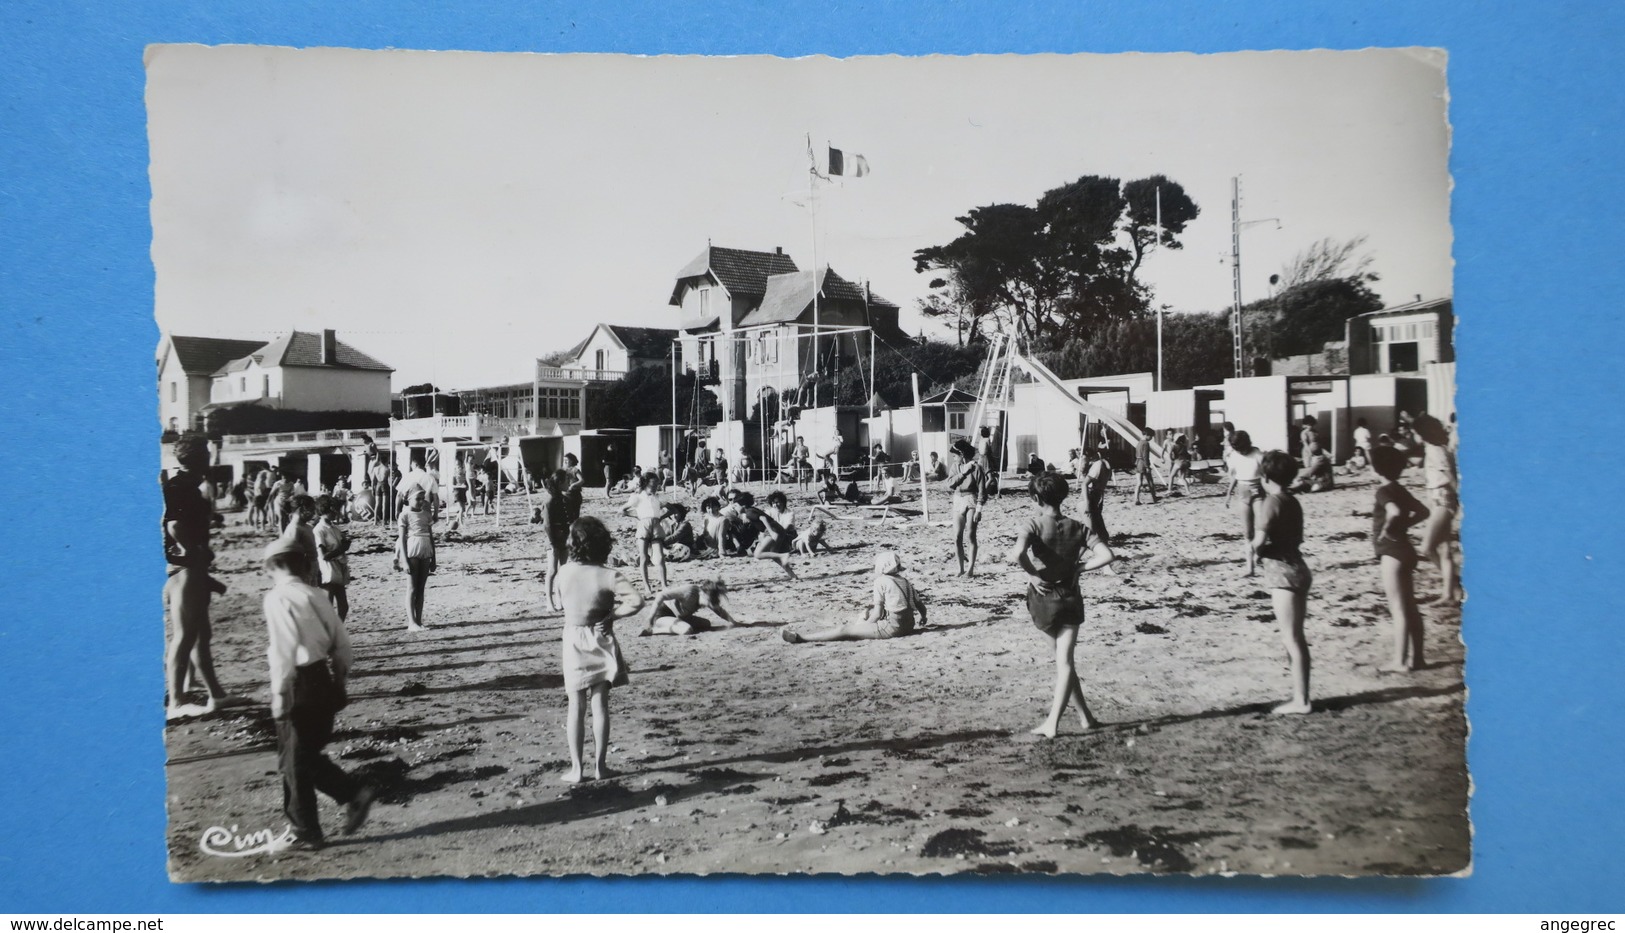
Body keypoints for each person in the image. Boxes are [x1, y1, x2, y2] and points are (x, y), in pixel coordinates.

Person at [260, 536, 375, 850]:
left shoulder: (277, 599)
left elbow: (283, 650)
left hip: (299, 683)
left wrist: (280, 694)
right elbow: (343, 645)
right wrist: (339, 682)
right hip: (323, 679)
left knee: (294, 761)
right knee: (304, 755)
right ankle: (345, 800)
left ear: (271, 568)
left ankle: (310, 827)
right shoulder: (318, 595)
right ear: (304, 565)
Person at [1006, 472, 1116, 738]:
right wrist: (1080, 567)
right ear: (1064, 496)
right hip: (1070, 594)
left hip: (1043, 596)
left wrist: (1031, 573)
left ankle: (1052, 723)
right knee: (1065, 662)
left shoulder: (1031, 525)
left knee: (1062, 662)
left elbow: (1018, 554)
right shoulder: (1078, 527)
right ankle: (1085, 716)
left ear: (1034, 497)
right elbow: (1107, 555)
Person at [555, 516, 646, 783]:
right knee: (600, 705)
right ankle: (600, 766)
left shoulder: (564, 571)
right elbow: (637, 601)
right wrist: (613, 615)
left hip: (573, 638)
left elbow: (561, 600)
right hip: (601, 636)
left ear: (573, 544)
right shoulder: (609, 575)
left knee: (576, 706)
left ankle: (576, 769)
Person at [163, 435, 240, 718]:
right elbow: (175, 526)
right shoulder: (181, 486)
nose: (211, 459)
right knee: (185, 636)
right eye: (207, 455)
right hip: (185, 569)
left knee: (200, 634)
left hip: (189, 569)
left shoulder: (182, 485)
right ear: (200, 459)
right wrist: (193, 551)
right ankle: (177, 702)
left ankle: (216, 695)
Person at [1253, 450, 1315, 715]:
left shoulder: (1271, 502)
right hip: (1299, 567)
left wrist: (1253, 553)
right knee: (1296, 637)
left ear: (1265, 476)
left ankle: (1301, 700)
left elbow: (1258, 541)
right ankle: (1299, 694)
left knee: (1291, 638)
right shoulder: (1292, 500)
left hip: (1282, 573)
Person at [1369, 446, 1431, 672]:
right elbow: (1424, 511)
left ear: (1376, 469)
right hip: (1406, 550)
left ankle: (1400, 661)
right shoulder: (1401, 489)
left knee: (1398, 608)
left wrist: (1388, 528)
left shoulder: (1383, 491)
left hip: (1391, 553)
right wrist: (1405, 525)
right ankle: (1418, 658)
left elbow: (1393, 511)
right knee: (1411, 606)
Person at [782, 550, 926, 644]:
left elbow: (878, 614)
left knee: (844, 630)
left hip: (894, 628)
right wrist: (923, 618)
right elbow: (921, 606)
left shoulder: (880, 581)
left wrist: (861, 627)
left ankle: (801, 638)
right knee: (866, 614)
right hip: (909, 624)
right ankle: (859, 626)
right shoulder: (905, 581)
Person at [1413, 414, 1462, 605]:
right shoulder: (1435, 448)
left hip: (1443, 498)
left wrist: (1460, 494)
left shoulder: (1435, 449)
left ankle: (1458, 581)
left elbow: (1449, 475)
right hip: (1439, 498)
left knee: (1427, 547)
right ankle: (1451, 593)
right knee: (1443, 549)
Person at [393, 487, 437, 630]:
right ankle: (411, 623)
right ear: (408, 499)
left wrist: (434, 558)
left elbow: (431, 537)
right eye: (417, 498)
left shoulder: (426, 515)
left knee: (421, 589)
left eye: (422, 498)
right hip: (412, 550)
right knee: (412, 588)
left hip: (425, 550)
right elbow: (401, 539)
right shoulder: (404, 515)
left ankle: (419, 621)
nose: (420, 501)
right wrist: (403, 560)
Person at [1224, 430, 1266, 576]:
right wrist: (1228, 494)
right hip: (1243, 493)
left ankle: (1259, 555)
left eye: (1241, 448)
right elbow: (1235, 476)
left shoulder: (1258, 455)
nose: (1240, 451)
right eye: (1236, 449)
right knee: (1248, 533)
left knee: (1262, 528)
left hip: (1258, 492)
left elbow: (1266, 477)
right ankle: (1250, 567)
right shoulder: (1234, 456)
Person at [639, 579, 746, 636]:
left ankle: (675, 625)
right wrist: (650, 617)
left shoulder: (706, 597)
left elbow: (719, 611)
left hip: (681, 617)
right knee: (686, 630)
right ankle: (653, 630)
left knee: (706, 624)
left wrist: (734, 622)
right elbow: (661, 595)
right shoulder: (689, 590)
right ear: (704, 593)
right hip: (663, 613)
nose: (708, 606)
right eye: (708, 602)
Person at [621, 473, 668, 595]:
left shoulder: (657, 497)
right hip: (643, 525)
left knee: (661, 557)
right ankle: (647, 586)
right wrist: (638, 516)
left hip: (656, 525)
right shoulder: (638, 497)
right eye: (654, 483)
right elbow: (622, 510)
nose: (656, 485)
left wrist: (660, 517)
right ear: (647, 482)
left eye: (657, 483)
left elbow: (671, 508)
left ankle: (664, 585)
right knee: (643, 557)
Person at [948, 439, 988, 577]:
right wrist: (963, 473)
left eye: (955, 455)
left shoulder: (977, 468)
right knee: (957, 537)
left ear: (962, 455)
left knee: (971, 535)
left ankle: (970, 570)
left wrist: (979, 509)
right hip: (958, 500)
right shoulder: (955, 467)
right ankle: (960, 569)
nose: (954, 458)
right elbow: (950, 484)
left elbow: (982, 490)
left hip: (971, 500)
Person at [313, 495, 351, 621]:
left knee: (343, 606)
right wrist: (342, 548)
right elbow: (323, 555)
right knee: (328, 606)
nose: (337, 513)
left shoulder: (334, 528)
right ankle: (328, 633)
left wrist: (344, 543)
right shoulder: (319, 530)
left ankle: (337, 630)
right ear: (326, 510)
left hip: (339, 567)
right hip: (327, 570)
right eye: (334, 510)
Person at [536, 470, 569, 611]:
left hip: (564, 537)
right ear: (560, 482)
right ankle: (549, 602)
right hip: (553, 539)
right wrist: (553, 543)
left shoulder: (560, 498)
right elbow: (547, 525)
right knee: (552, 570)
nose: (569, 484)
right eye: (567, 481)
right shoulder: (550, 500)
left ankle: (559, 599)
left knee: (562, 570)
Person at [746, 490, 798, 577]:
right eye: (774, 503)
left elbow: (787, 528)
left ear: (783, 502)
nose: (776, 505)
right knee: (770, 554)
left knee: (764, 553)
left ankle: (772, 552)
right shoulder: (770, 511)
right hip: (773, 535)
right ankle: (792, 575)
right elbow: (763, 525)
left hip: (787, 536)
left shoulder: (789, 513)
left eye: (778, 502)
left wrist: (772, 532)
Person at [1132, 431, 1159, 505]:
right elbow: (1145, 456)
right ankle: (1154, 498)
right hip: (1144, 463)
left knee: (1139, 483)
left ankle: (1136, 499)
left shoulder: (1139, 442)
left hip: (1138, 462)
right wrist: (1147, 466)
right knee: (1150, 481)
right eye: (1151, 436)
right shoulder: (1146, 443)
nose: (1151, 438)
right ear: (1147, 435)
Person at [560, 453, 585, 524]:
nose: (565, 462)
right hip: (565, 494)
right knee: (567, 514)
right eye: (564, 460)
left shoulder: (575, 470)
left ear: (572, 461)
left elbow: (582, 480)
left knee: (575, 514)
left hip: (575, 494)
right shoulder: (562, 470)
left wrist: (573, 485)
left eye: (567, 460)